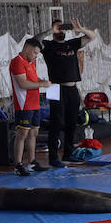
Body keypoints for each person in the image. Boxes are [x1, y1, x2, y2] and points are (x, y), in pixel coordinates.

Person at [39, 18, 98, 168]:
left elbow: (92, 36)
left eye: (64, 28)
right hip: (55, 87)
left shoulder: (71, 44)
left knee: (72, 122)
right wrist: (49, 31)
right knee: (56, 122)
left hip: (72, 88)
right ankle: (53, 157)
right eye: (59, 28)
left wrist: (81, 29)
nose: (62, 31)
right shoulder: (48, 45)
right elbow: (33, 41)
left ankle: (68, 153)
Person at [9, 37, 49, 175]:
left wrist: (42, 81)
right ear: (27, 49)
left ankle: (32, 162)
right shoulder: (17, 62)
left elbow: (33, 79)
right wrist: (42, 84)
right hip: (23, 104)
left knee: (34, 133)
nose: (36, 56)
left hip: (35, 103)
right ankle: (18, 165)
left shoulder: (31, 62)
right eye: (35, 53)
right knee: (22, 134)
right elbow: (23, 84)